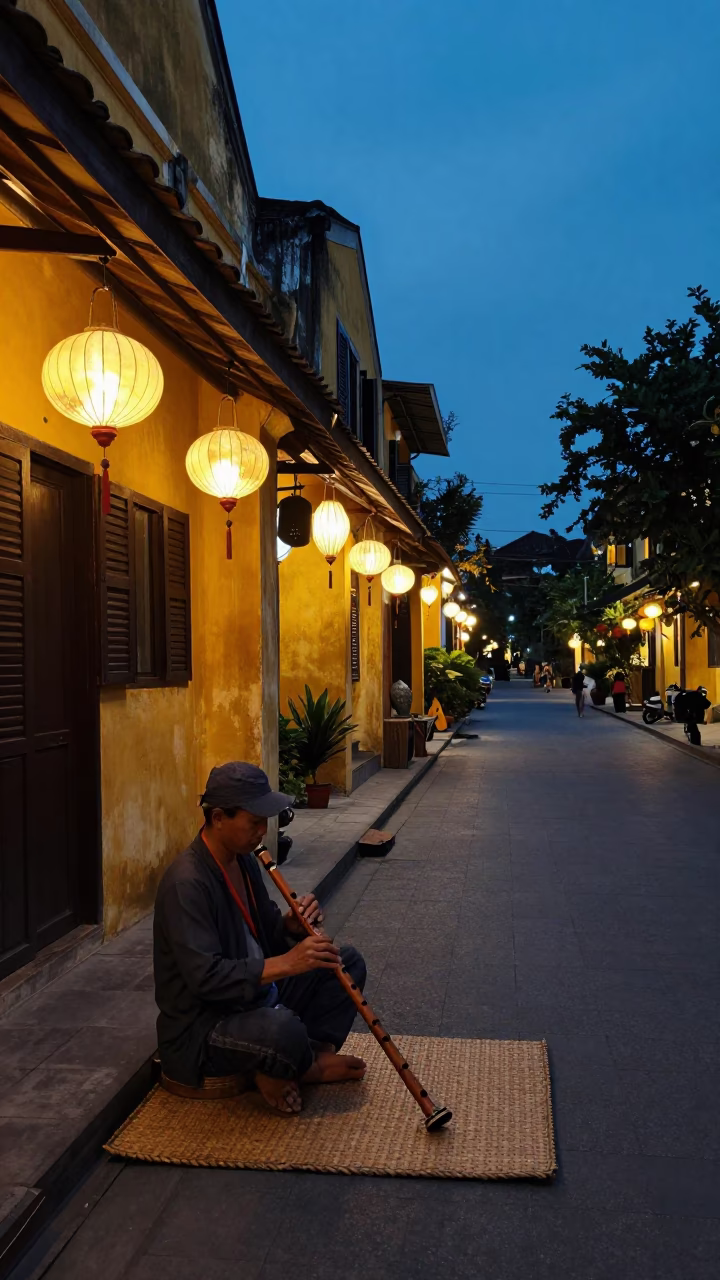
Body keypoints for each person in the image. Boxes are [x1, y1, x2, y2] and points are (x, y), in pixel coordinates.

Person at [154, 761, 367, 1115]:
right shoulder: (186, 884)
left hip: (257, 998)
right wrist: (288, 962)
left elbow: (265, 931)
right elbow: (206, 979)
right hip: (206, 1025)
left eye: (265, 822)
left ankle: (296, 1059)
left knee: (344, 961)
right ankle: (307, 1066)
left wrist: (290, 927)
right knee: (280, 1029)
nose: (262, 832)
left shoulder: (245, 861)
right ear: (219, 817)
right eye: (254, 822)